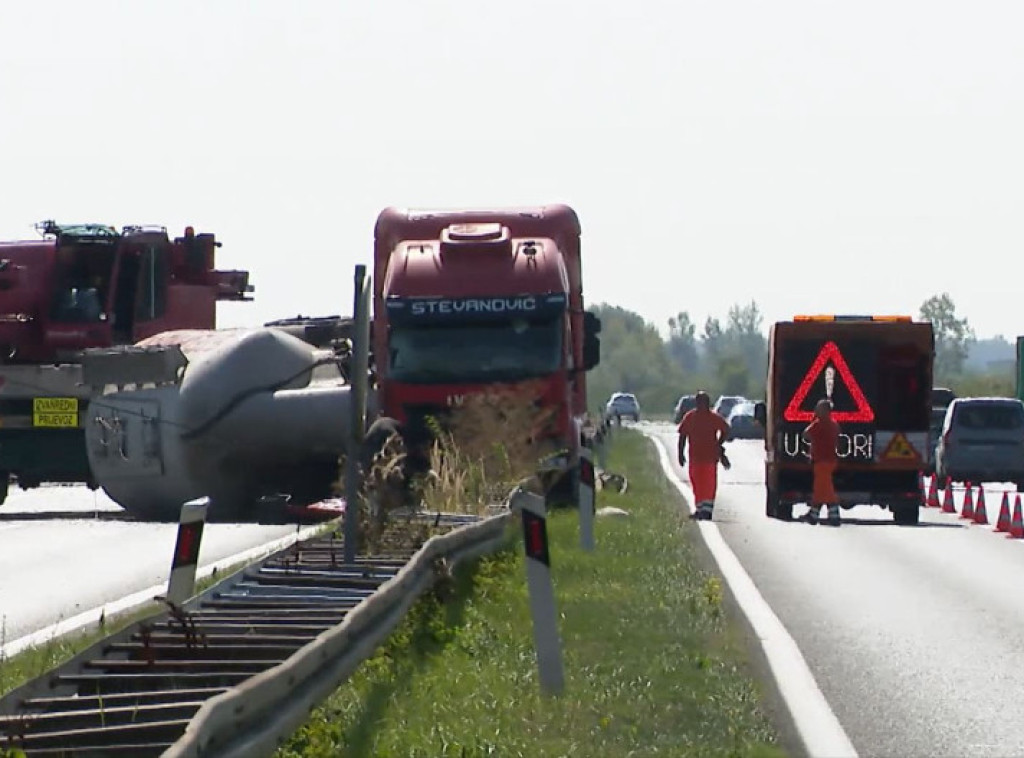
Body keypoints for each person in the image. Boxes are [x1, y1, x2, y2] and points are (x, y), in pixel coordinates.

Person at [677, 391, 731, 521]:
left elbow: (726, 429)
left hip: (710, 458)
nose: (702, 405)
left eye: (704, 402)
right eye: (700, 402)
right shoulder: (690, 417)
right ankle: (700, 509)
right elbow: (682, 435)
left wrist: (718, 444)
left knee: (709, 484)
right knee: (696, 483)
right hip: (695, 457)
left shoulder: (713, 417)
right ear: (696, 403)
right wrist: (680, 454)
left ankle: (707, 510)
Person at [802, 398, 841, 526]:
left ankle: (834, 516)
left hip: (821, 461)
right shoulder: (834, 425)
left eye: (818, 409)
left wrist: (813, 420)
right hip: (830, 460)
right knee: (821, 488)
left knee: (825, 489)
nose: (816, 411)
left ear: (824, 411)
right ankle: (814, 514)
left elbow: (806, 434)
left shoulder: (819, 424)